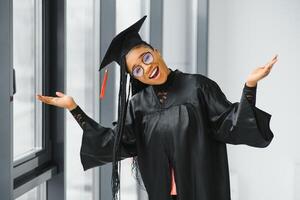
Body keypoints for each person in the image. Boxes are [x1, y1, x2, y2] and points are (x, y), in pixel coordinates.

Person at [36, 16, 277, 200]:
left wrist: (250, 85)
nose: (146, 68)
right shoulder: (138, 107)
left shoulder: (197, 87)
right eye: (137, 70)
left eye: (146, 58)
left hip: (203, 192)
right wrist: (74, 108)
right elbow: (113, 143)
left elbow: (231, 124)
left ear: (156, 52)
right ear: (136, 77)